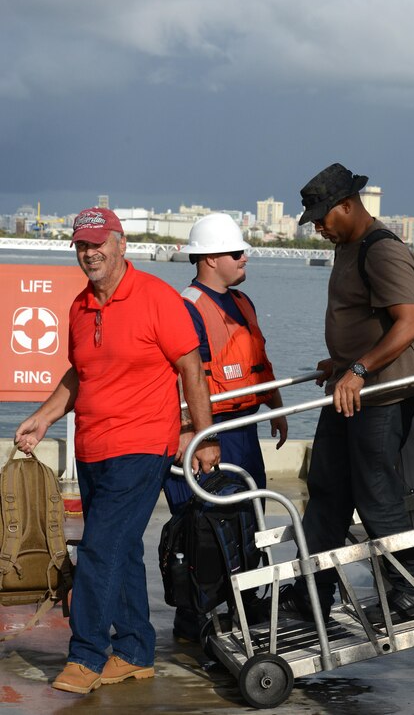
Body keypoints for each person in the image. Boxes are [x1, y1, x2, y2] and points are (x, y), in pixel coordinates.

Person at [13, 208, 219, 695]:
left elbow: (191, 369)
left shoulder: (158, 299)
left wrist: (205, 435)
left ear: (121, 244)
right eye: (81, 246)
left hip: (144, 444)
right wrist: (44, 417)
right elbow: (78, 376)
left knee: (100, 549)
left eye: (97, 243)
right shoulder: (79, 308)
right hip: (92, 447)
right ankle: (133, 651)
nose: (90, 253)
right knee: (122, 550)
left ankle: (85, 656)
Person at [280, 162, 414, 625]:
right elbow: (365, 320)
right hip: (349, 391)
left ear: (347, 206)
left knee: (376, 496)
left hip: (382, 396)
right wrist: (341, 363)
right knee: (326, 492)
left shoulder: (381, 250)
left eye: (323, 218)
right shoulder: (347, 246)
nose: (320, 229)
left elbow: (412, 323)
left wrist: (359, 367)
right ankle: (312, 596)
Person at [165, 212, 289, 641]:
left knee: (249, 515)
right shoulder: (187, 307)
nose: (244, 260)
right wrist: (197, 435)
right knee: (199, 524)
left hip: (245, 425)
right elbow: (184, 375)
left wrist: (275, 405)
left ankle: (245, 602)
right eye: (237, 253)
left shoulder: (243, 303)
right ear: (211, 258)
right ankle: (194, 616)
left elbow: (259, 359)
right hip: (209, 428)